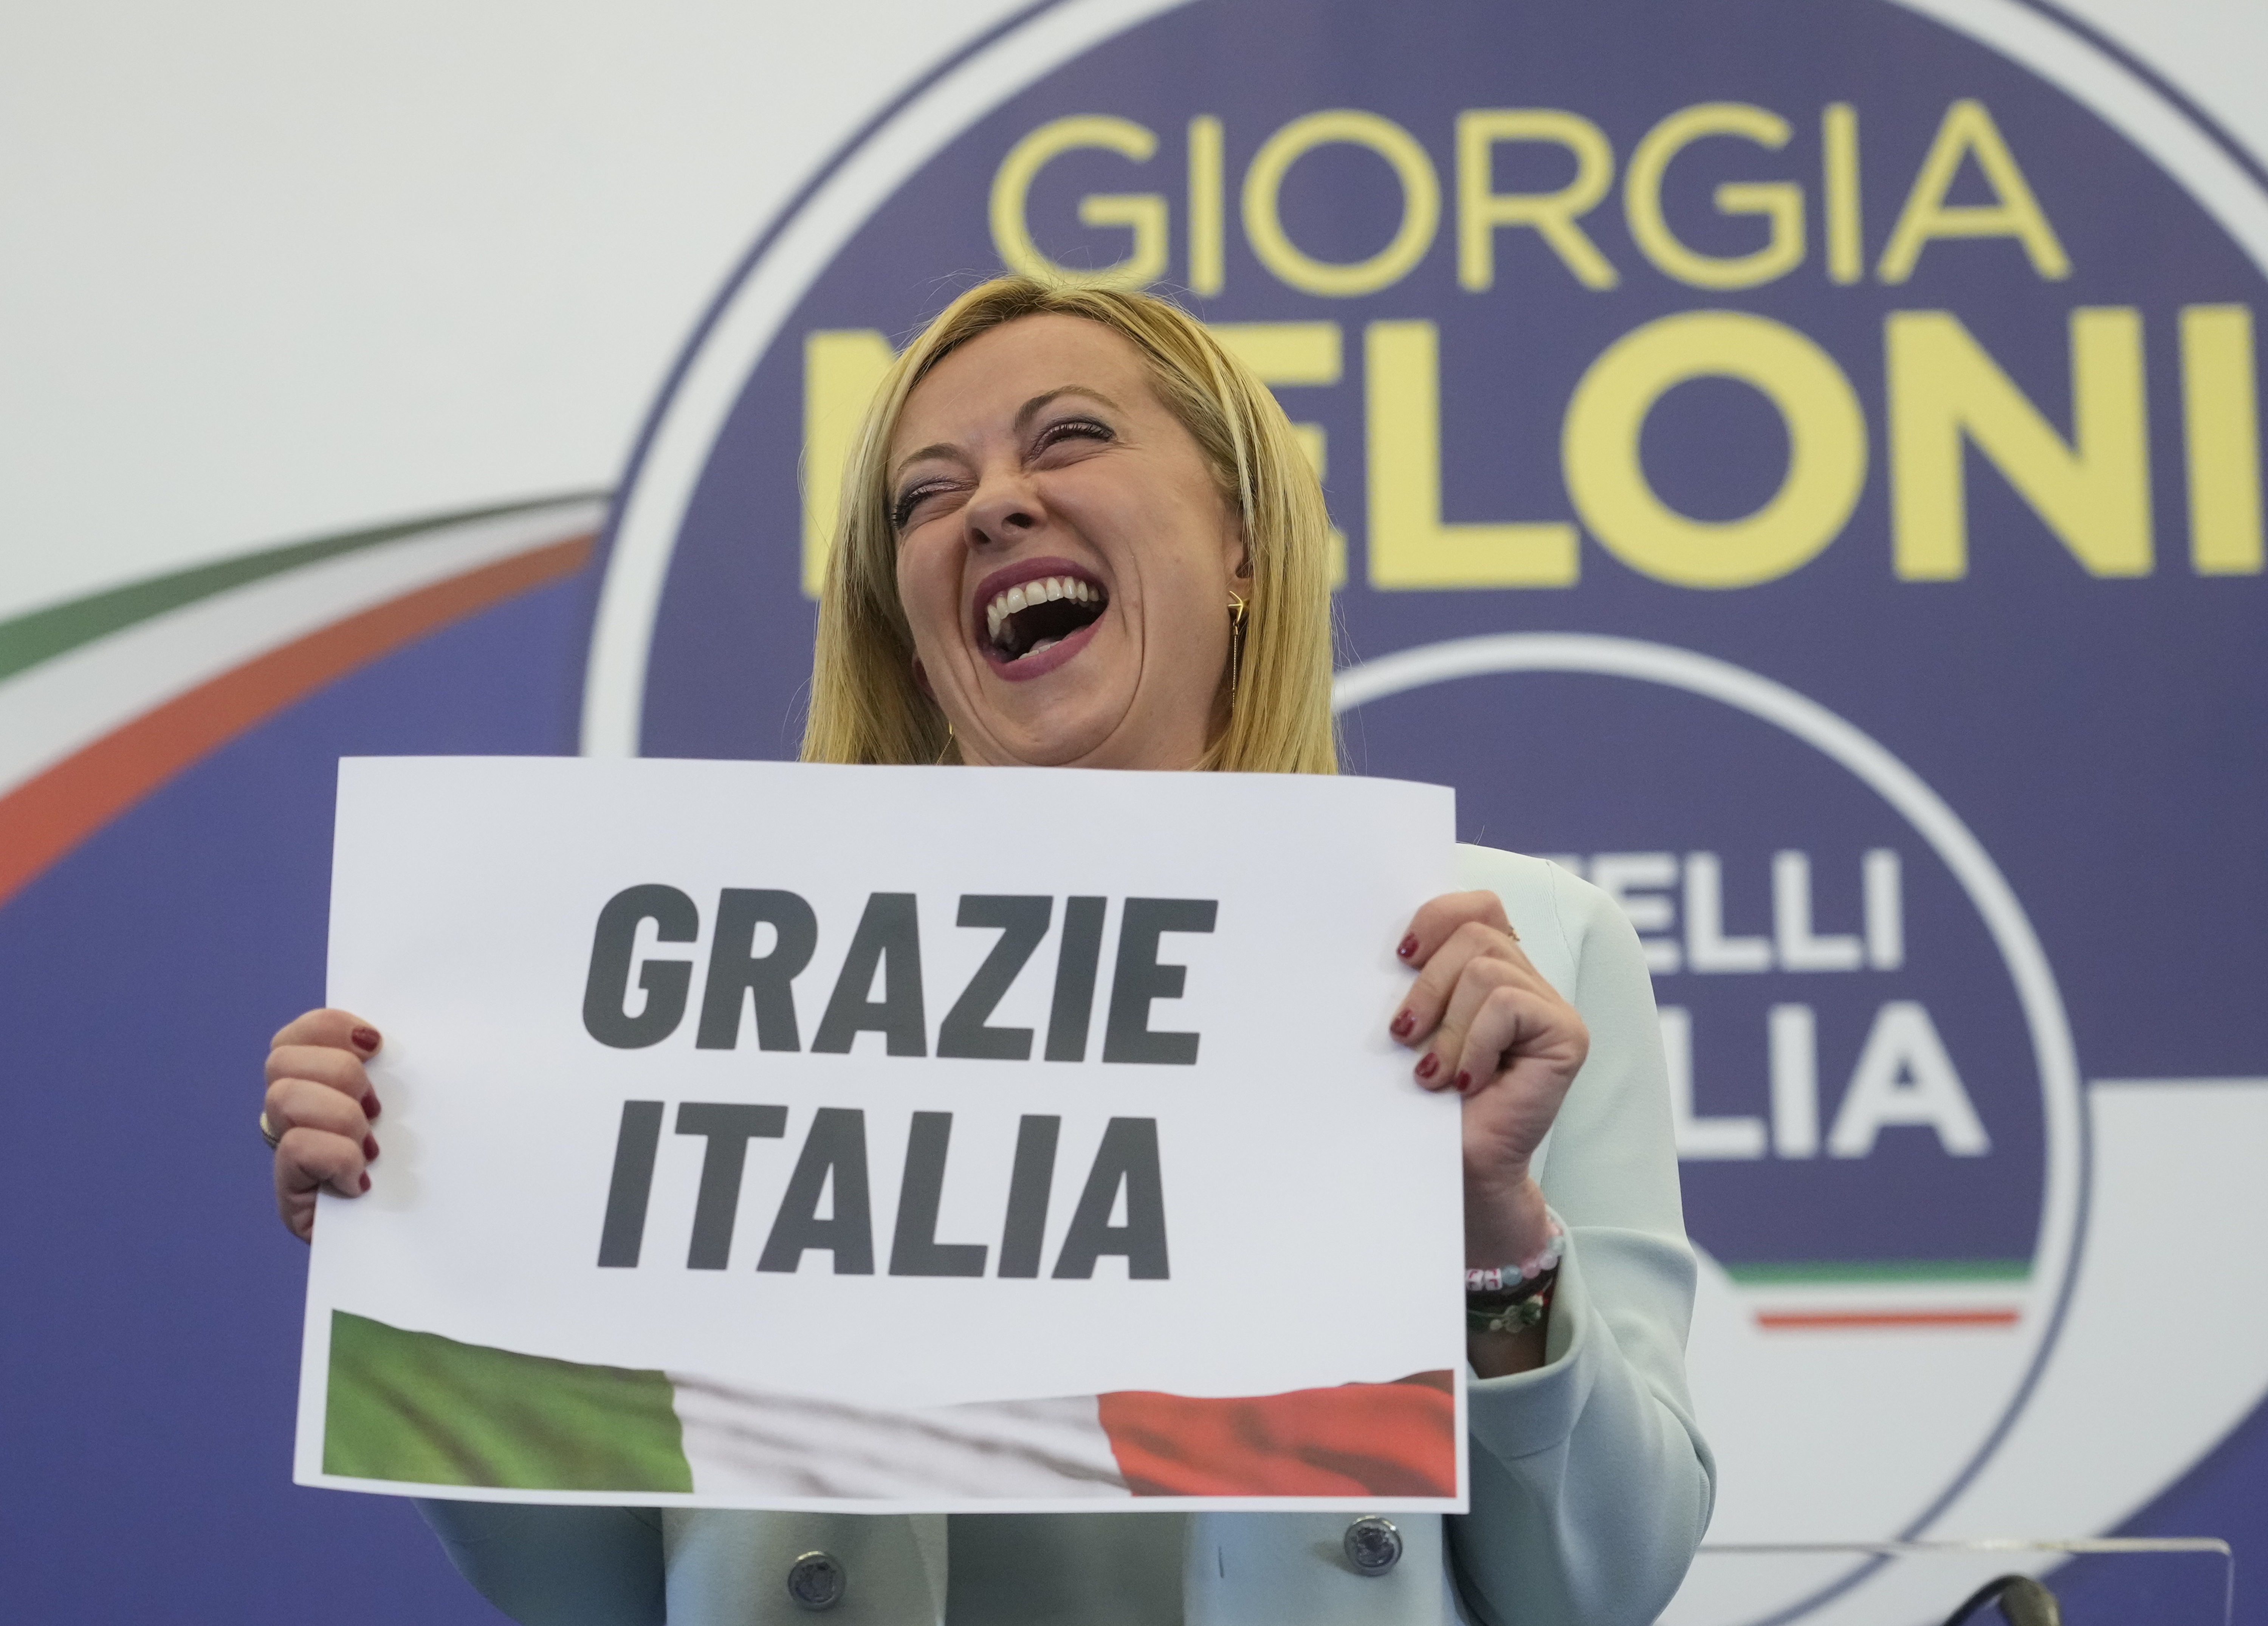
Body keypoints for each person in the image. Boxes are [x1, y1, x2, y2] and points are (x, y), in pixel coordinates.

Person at [262, 275, 1713, 1625]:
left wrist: (1497, 1237)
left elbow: (1601, 1587)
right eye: (925, 496)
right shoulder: (733, 995)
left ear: (1244, 548)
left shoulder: (1514, 958)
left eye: (1069, 439)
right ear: (910, 627)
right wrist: (423, 1246)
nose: (994, 508)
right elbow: (583, 1592)